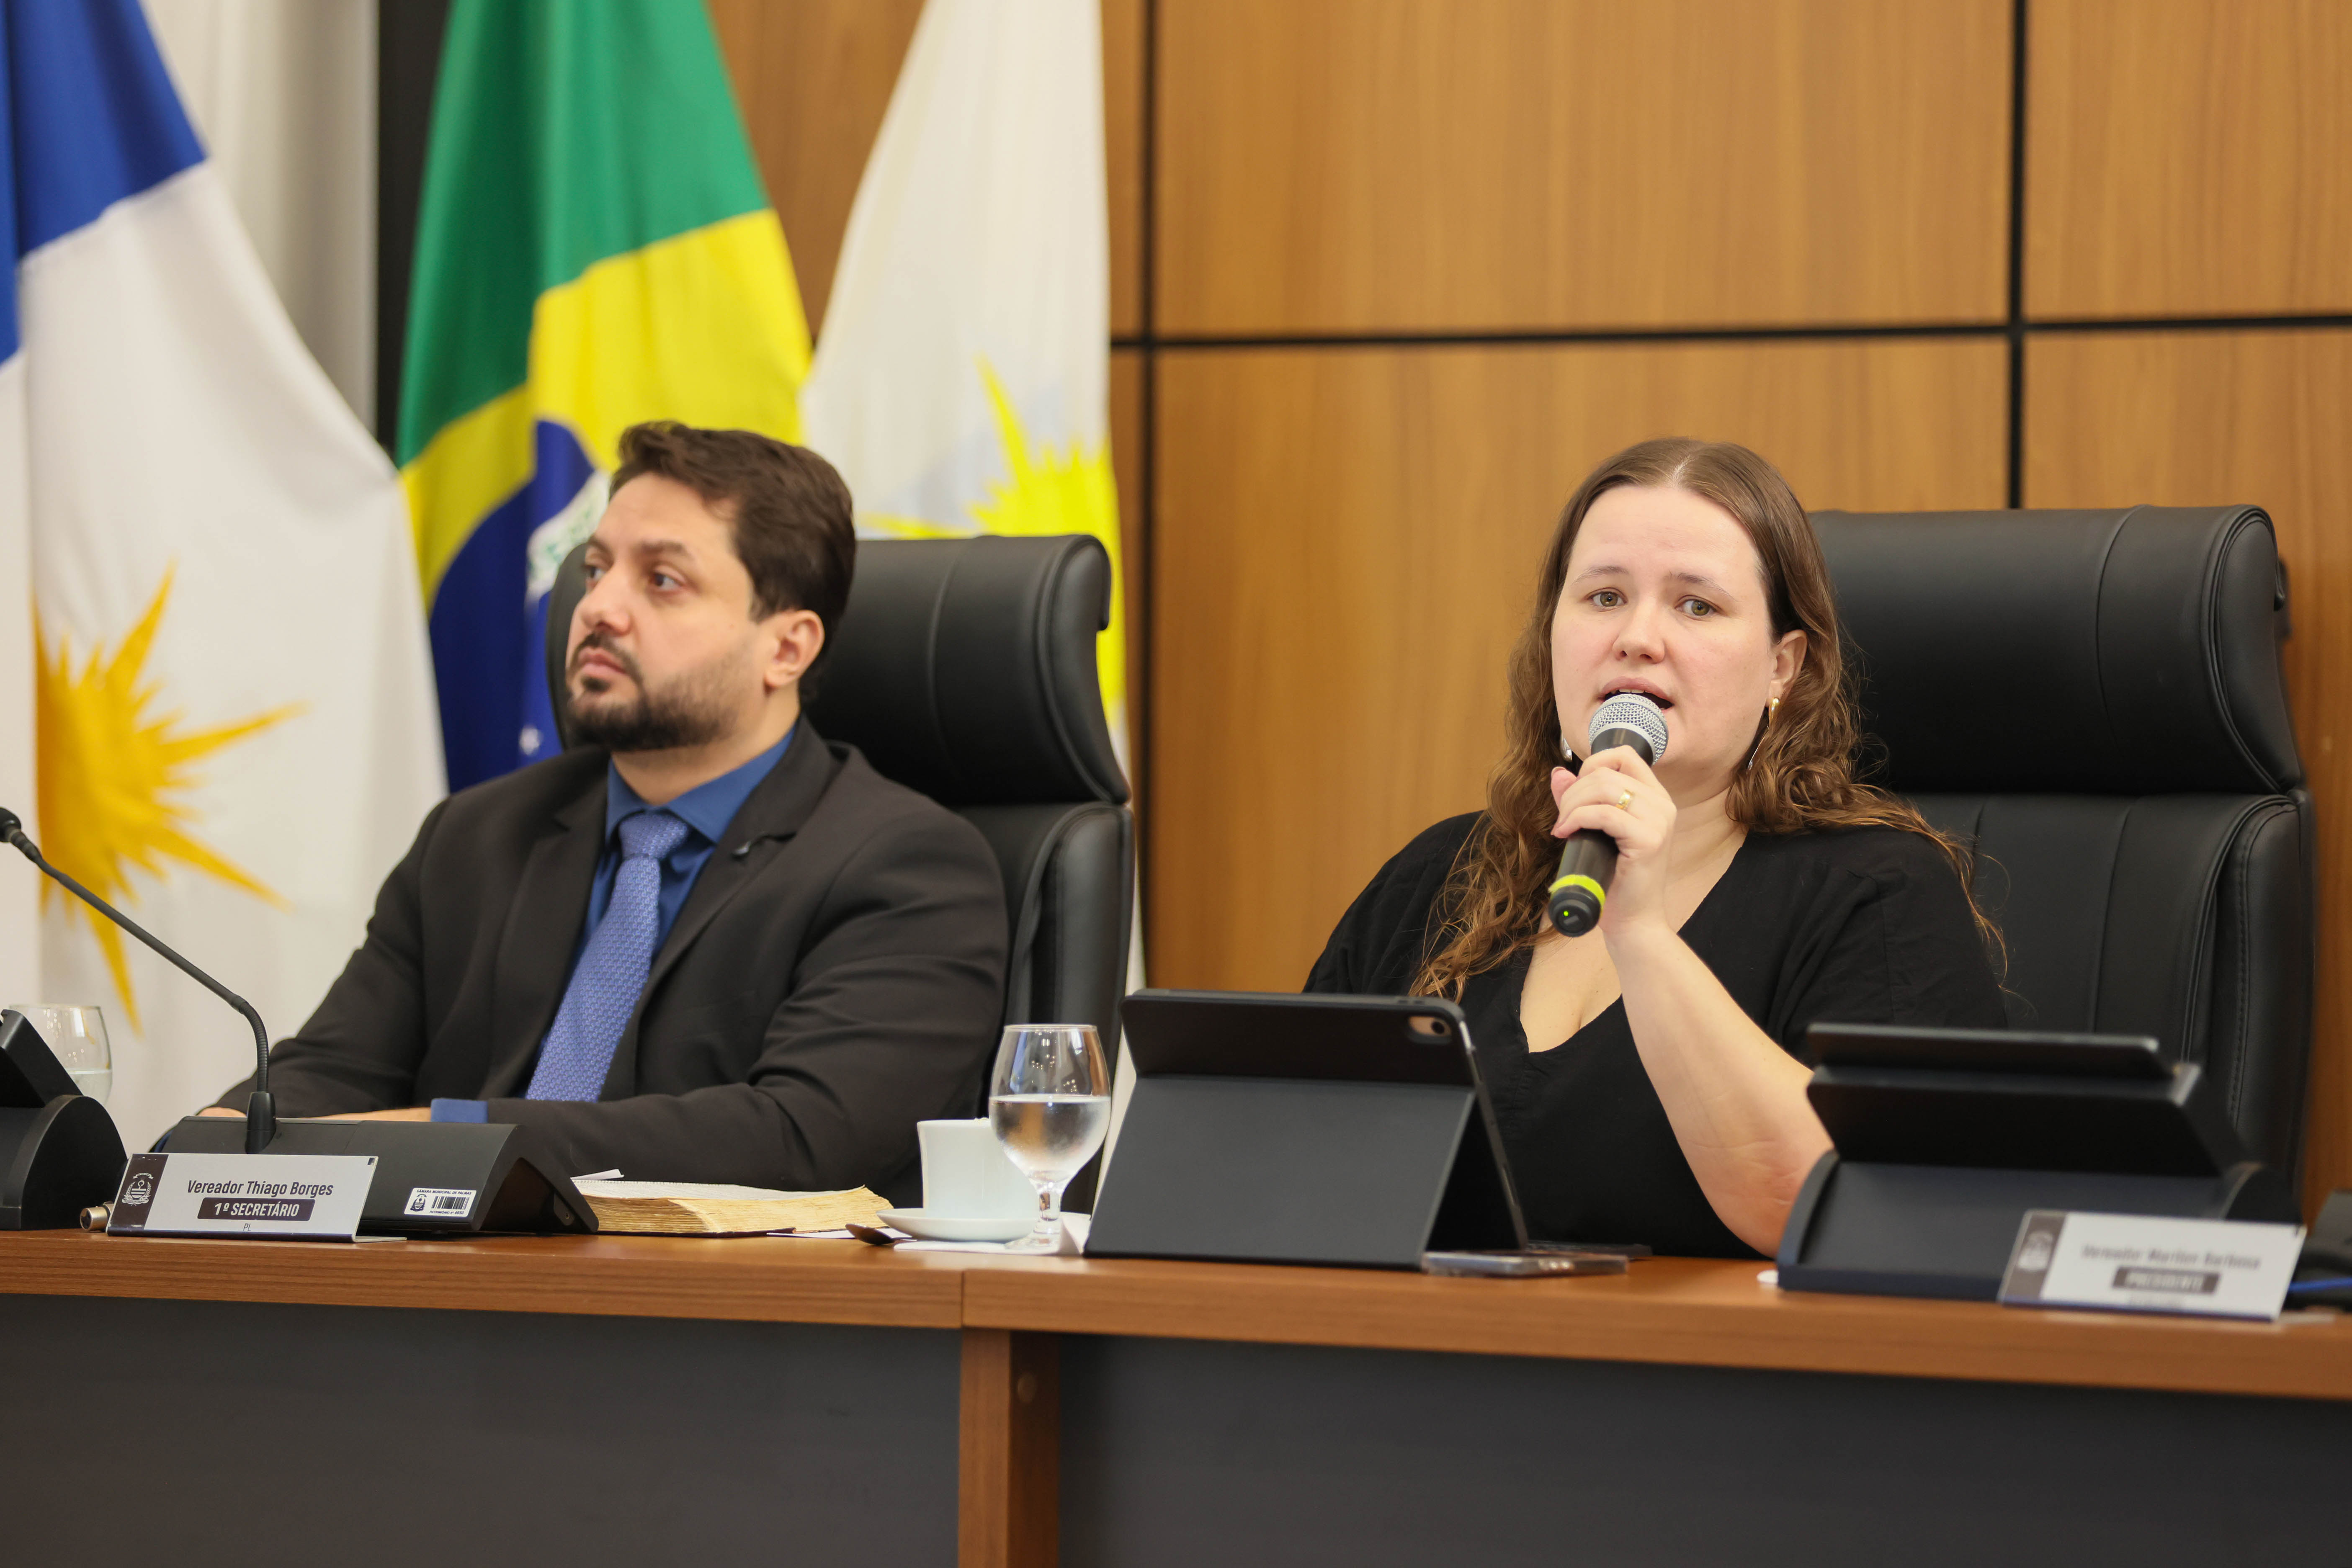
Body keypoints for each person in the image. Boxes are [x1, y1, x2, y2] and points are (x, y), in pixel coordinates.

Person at [204, 421, 1008, 1200]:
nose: (598, 608)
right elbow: (337, 1070)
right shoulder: (476, 836)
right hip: (447, 1283)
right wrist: (221, 1139)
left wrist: (463, 1136)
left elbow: (802, 1135)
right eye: (595, 570)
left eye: (662, 581)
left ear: (786, 647)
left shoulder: (907, 868)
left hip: (727, 1292)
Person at [1307, 438, 2004, 1257]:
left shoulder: (1876, 893)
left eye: (1695, 606)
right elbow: (1286, 1153)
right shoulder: (1439, 875)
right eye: (1603, 596)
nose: (1637, 637)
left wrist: (1639, 933)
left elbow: (1853, 1216)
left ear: (1783, 667)